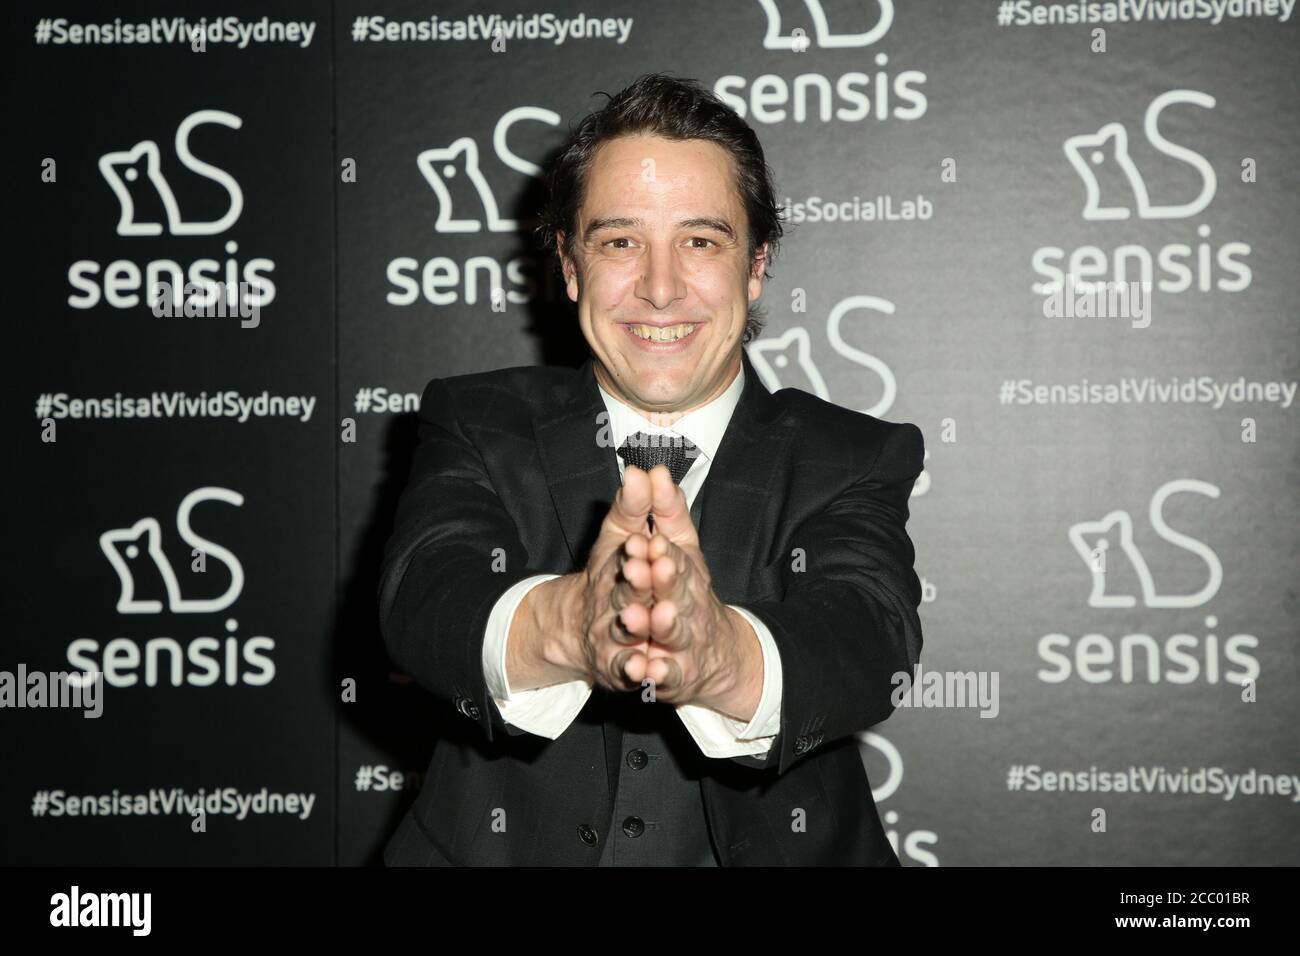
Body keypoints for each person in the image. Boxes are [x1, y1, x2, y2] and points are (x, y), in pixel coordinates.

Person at [379, 72, 924, 866]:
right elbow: (424, 593)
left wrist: (717, 654)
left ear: (757, 265)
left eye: (700, 241)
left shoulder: (852, 455)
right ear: (569, 267)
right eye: (620, 241)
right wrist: (570, 624)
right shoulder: (475, 421)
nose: (660, 290)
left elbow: (868, 635)